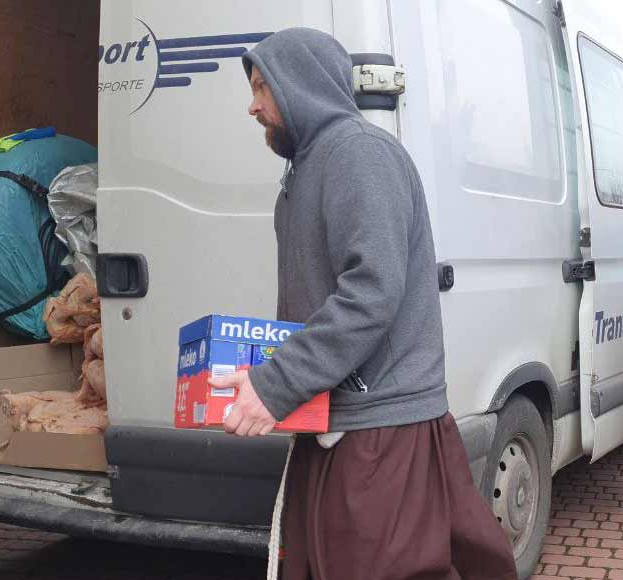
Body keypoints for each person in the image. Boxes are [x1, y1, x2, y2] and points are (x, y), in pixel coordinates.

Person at [207, 28, 517, 580]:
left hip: (381, 433)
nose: (252, 105)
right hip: (336, 423)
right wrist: (272, 374)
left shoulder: (359, 155)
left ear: (300, 84)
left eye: (262, 87)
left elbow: (371, 292)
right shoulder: (306, 169)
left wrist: (277, 385)